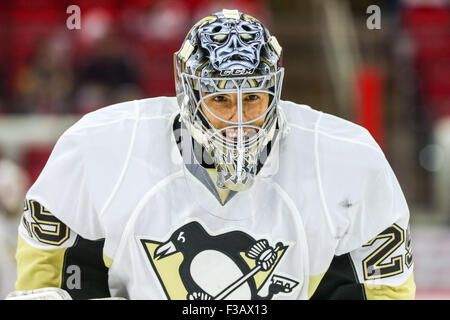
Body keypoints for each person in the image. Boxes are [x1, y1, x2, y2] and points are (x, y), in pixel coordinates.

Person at [10, 9, 415, 300]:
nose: (239, 121)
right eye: (221, 99)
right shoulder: (100, 147)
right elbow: (49, 273)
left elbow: (382, 288)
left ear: (276, 92)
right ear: (187, 94)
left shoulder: (347, 158)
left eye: (253, 99)